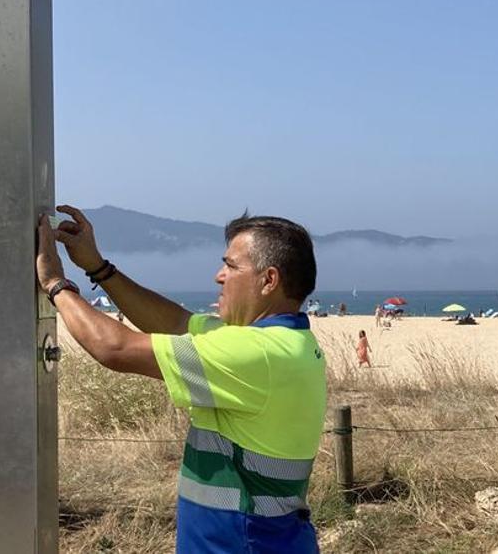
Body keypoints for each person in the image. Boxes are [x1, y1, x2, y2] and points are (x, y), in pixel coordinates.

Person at [35, 206, 325, 553]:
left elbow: (114, 348)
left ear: (269, 280)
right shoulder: (282, 341)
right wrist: (98, 266)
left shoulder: (255, 354)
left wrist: (56, 284)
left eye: (231, 266)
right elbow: (173, 322)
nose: (219, 276)